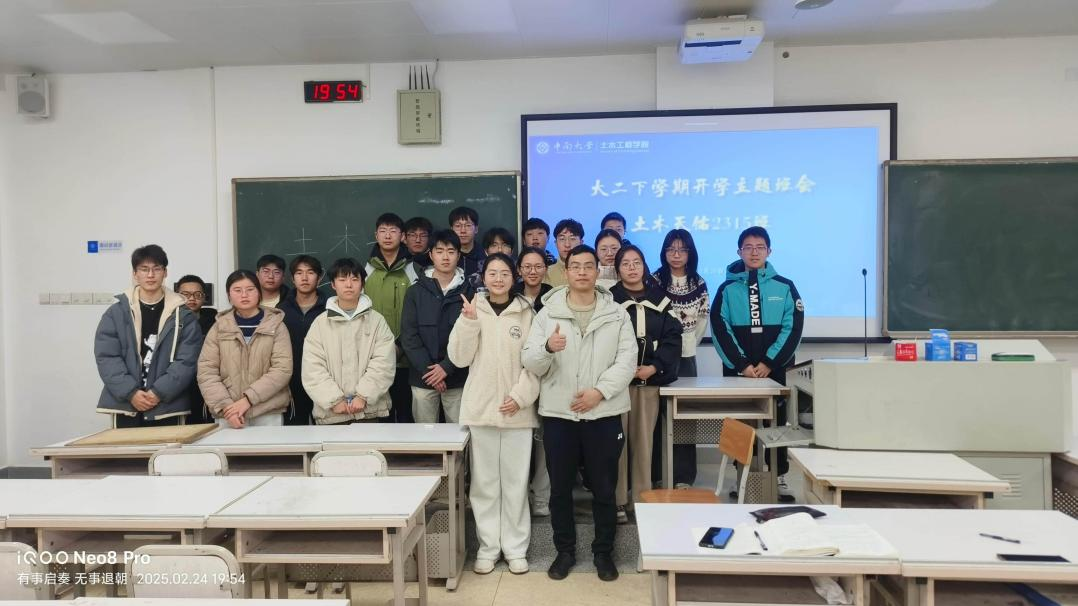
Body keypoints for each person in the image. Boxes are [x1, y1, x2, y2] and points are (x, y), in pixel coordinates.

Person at [522, 245, 637, 582]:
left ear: (598, 271)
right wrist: (547, 348)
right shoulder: (548, 314)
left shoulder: (617, 314)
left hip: (604, 413)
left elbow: (627, 360)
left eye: (589, 266)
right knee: (560, 489)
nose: (583, 272)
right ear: (566, 272)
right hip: (560, 415)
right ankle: (565, 551)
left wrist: (599, 392)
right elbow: (529, 360)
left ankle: (603, 552)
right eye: (576, 266)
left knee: (604, 488)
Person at [448, 253, 540, 575]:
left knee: (515, 484)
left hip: (518, 412)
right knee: (484, 484)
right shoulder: (473, 309)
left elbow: (536, 363)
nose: (498, 279)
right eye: (492, 273)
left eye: (504, 273)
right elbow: (459, 358)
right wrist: (469, 321)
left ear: (514, 277)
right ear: (483, 277)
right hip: (482, 410)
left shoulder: (527, 312)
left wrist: (520, 397)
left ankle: (515, 549)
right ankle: (488, 549)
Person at [712, 226, 804, 501]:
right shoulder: (727, 289)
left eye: (760, 247)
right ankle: (743, 475)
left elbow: (793, 327)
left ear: (769, 251)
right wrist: (742, 364)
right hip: (739, 372)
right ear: (739, 251)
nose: (754, 252)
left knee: (777, 422)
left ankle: (779, 476)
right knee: (741, 423)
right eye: (748, 247)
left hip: (775, 371)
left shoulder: (785, 286)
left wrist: (769, 363)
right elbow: (720, 327)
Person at [94, 244, 202, 427]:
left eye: (156, 269)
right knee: (128, 448)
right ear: (135, 274)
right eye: (144, 269)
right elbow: (107, 357)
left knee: (168, 447)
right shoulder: (116, 313)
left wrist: (158, 392)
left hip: (168, 406)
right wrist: (131, 392)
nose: (150, 275)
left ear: (165, 272)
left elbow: (187, 361)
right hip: (126, 404)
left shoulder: (183, 316)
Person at [610, 245, 683, 511]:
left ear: (644, 266)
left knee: (643, 444)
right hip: (615, 386)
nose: (631, 268)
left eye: (636, 262)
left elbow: (673, 338)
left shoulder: (660, 299)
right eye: (625, 263)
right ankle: (617, 501)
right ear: (617, 269)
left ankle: (640, 501)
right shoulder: (608, 300)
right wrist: (620, 369)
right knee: (615, 443)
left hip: (648, 383)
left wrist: (654, 367)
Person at [303, 258, 397, 424]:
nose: (348, 285)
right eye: (342, 279)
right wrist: (334, 400)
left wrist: (363, 396)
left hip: (369, 413)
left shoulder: (377, 321)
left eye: (354, 279)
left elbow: (384, 363)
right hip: (331, 415)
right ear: (333, 284)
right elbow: (313, 368)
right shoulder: (320, 324)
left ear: (362, 284)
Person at [197, 270, 292, 428]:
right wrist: (227, 408)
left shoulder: (276, 326)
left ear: (259, 293)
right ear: (229, 295)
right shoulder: (218, 328)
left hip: (267, 412)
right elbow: (207, 371)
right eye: (237, 290)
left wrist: (248, 399)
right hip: (228, 413)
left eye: (250, 289)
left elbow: (282, 370)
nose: (244, 295)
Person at [653, 229, 710, 489]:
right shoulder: (654, 280)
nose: (676, 255)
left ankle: (683, 477)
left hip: (686, 356)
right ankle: (656, 474)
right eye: (671, 249)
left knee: (685, 418)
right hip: (658, 356)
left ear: (690, 253)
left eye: (682, 250)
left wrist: (685, 345)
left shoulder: (698, 283)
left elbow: (702, 321)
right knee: (656, 418)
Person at [400, 230, 471, 423]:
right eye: (439, 251)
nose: (445, 257)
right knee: (425, 435)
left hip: (458, 376)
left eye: (451, 251)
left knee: (459, 434)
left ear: (459, 255)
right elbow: (409, 336)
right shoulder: (415, 292)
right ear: (431, 255)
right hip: (423, 377)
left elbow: (470, 337)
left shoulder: (470, 292)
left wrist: (446, 367)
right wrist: (430, 372)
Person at [510, 246, 553, 517]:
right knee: (519, 439)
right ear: (519, 270)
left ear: (545, 269)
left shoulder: (555, 298)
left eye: (538, 266)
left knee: (545, 443)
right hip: (517, 377)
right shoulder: (509, 297)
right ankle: (519, 496)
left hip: (548, 376)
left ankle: (541, 497)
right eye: (527, 266)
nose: (533, 271)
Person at [364, 212, 419, 423]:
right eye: (383, 231)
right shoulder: (365, 270)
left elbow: (419, 313)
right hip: (373, 359)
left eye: (393, 231)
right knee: (381, 417)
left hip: (408, 358)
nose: (388, 236)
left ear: (402, 236)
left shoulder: (413, 269)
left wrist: (401, 345)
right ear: (375, 235)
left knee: (406, 416)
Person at [279, 255, 328, 426]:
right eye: (299, 273)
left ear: (319, 278)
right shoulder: (281, 310)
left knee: (326, 432)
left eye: (310, 272)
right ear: (292, 279)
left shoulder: (330, 308)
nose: (305, 278)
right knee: (294, 434)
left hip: (323, 380)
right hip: (291, 383)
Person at [176, 274, 218, 424]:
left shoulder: (216, 320)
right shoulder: (169, 320)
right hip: (179, 380)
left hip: (207, 380)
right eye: (185, 294)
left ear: (204, 297)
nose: (192, 299)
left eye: (197, 294)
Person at [544, 219, 583, 288]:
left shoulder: (591, 271)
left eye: (572, 239)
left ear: (581, 242)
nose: (567, 244)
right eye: (562, 239)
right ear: (556, 243)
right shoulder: (546, 273)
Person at [449, 206, 484, 276]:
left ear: (476, 229)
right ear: (451, 229)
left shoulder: (484, 255)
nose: (463, 231)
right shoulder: (445, 256)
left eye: (468, 225)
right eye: (458, 226)